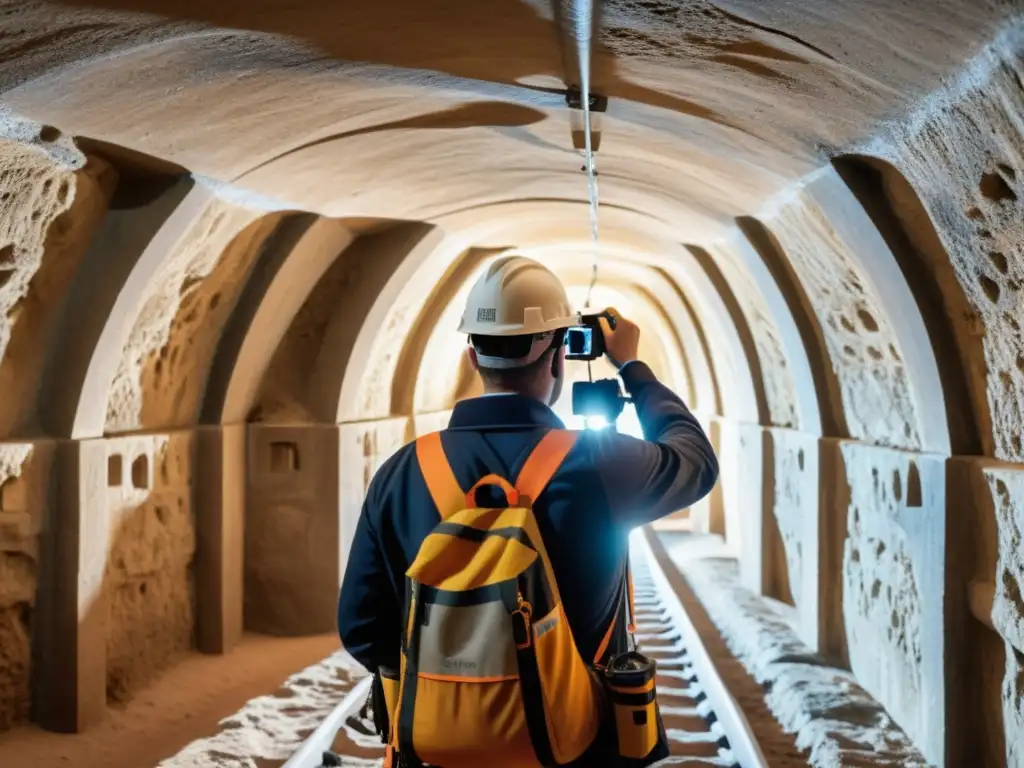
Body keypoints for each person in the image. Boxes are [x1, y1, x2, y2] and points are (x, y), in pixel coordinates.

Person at [338, 255, 719, 765]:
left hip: (439, 753)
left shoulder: (403, 471)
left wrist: (457, 694)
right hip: (576, 746)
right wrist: (632, 365)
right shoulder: (600, 461)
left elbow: (362, 627)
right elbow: (695, 460)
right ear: (559, 355)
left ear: (472, 357)